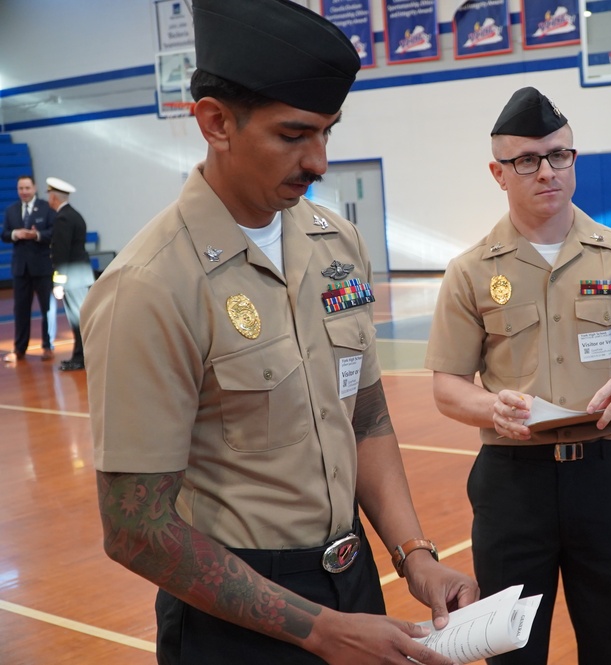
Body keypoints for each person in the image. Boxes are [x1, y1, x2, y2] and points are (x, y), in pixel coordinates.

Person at [80, 1, 477, 663]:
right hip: (234, 618)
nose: (319, 161)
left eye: (328, 132)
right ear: (215, 122)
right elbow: (135, 528)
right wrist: (320, 630)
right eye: (294, 134)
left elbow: (367, 416)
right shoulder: (150, 286)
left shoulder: (337, 244)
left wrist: (415, 556)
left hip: (353, 586)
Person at [424, 87, 611, 665]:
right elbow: (447, 385)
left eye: (559, 155)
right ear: (498, 173)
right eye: (527, 160)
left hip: (605, 477)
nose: (547, 171)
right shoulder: (470, 272)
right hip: (512, 484)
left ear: (574, 160)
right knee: (513, 651)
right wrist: (489, 408)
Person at [2, 175, 55, 363]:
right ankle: (19, 348)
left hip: (42, 267)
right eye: (20, 188)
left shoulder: (47, 207)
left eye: (27, 188)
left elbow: (53, 232)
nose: (24, 191)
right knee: (20, 310)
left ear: (34, 188)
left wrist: (36, 235)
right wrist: (16, 234)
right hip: (20, 269)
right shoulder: (11, 210)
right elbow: (5, 234)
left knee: (46, 309)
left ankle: (48, 346)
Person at [46, 177, 93, 371]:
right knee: (82, 318)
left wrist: (58, 282)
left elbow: (62, 253)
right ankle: (80, 355)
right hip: (81, 275)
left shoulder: (63, 218)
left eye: (49, 194)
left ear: (54, 198)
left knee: (78, 320)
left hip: (72, 278)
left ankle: (81, 358)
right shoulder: (75, 214)